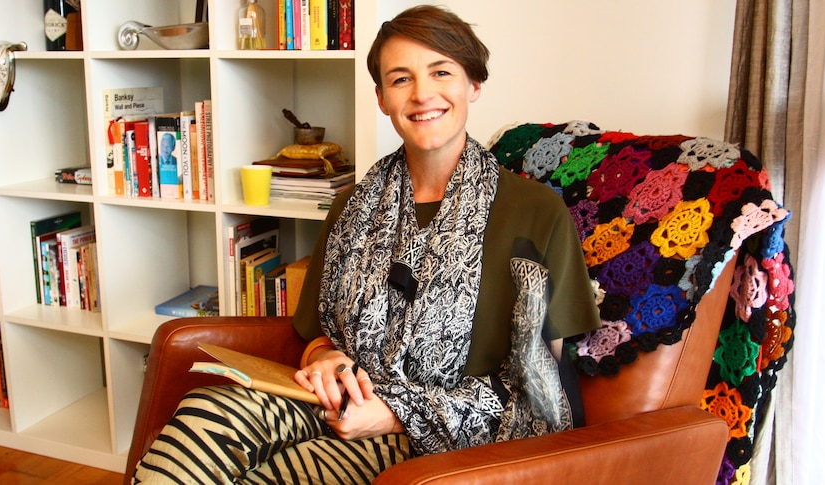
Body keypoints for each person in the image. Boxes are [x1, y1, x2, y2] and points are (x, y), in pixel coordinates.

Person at [133, 5, 600, 484]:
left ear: (473, 85)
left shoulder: (537, 213)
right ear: (381, 98)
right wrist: (324, 359)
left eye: (441, 72)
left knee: (273, 476)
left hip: (445, 439)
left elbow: (539, 386)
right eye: (400, 79)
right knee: (206, 413)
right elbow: (316, 336)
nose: (422, 94)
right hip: (335, 401)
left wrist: (397, 414)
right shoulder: (351, 207)